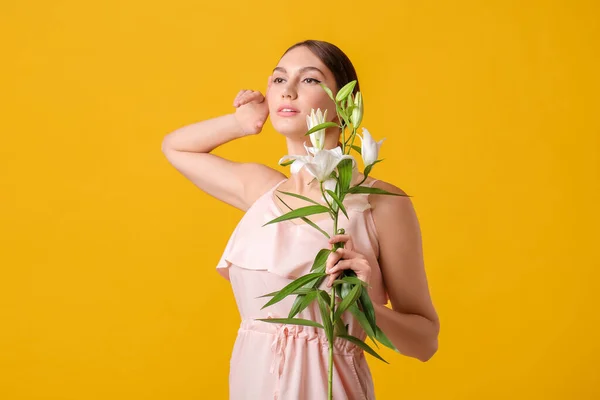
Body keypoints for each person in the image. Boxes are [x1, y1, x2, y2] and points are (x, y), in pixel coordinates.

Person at [161, 40, 440, 400]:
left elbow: (425, 342)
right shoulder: (261, 191)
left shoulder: (381, 203)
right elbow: (175, 147)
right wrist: (242, 122)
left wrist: (361, 305)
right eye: (278, 80)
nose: (287, 92)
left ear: (346, 105)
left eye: (308, 80)